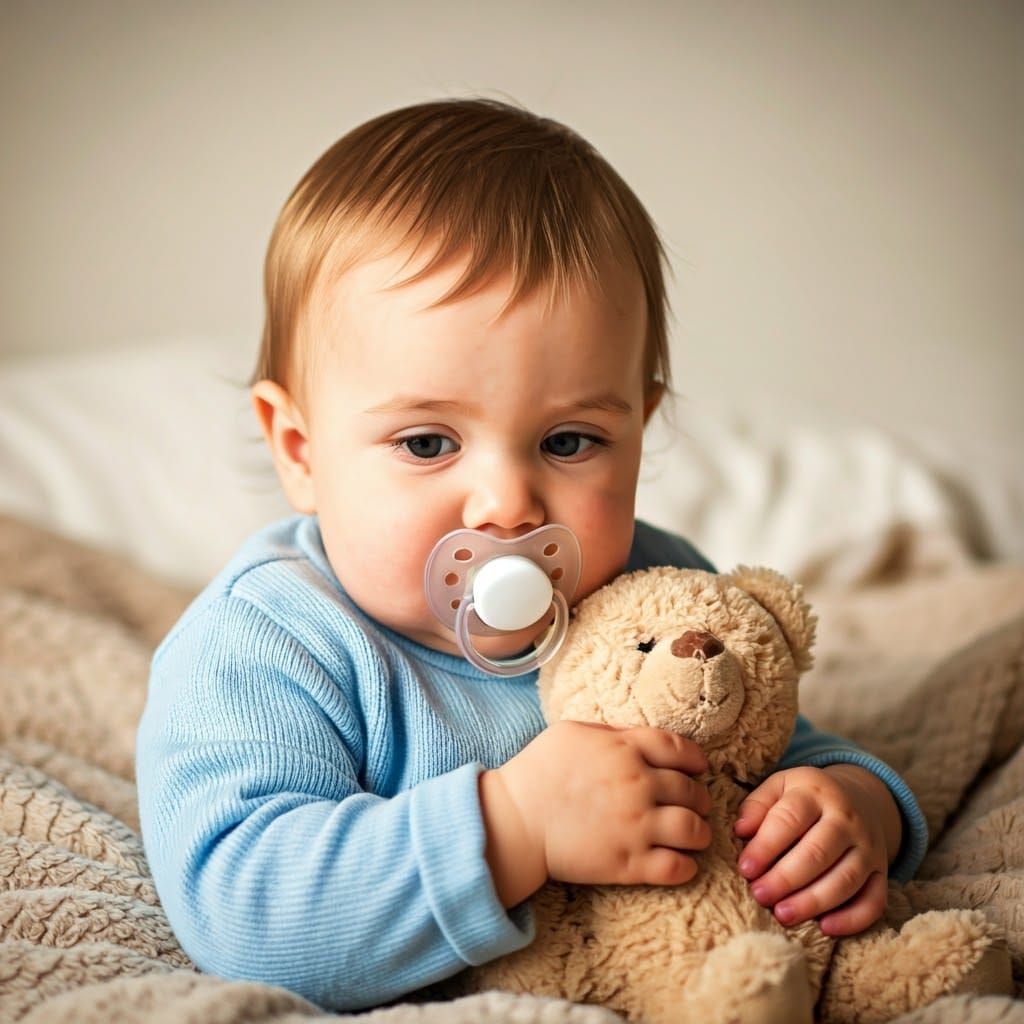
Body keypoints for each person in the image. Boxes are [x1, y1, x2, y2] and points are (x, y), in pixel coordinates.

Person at [136, 98, 927, 1012]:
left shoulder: (649, 588)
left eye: (568, 441)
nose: (507, 504)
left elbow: (767, 738)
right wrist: (513, 828)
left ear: (639, 430)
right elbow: (245, 911)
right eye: (427, 443)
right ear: (300, 451)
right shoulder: (268, 644)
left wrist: (848, 804)